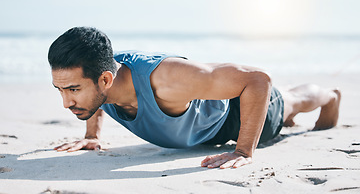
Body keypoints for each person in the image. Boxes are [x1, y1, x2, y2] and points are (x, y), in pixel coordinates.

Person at [48, 27, 341, 169]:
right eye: (60, 90)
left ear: (105, 80)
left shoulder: (163, 79)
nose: (66, 102)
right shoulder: (102, 79)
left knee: (292, 100)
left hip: (237, 113)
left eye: (73, 90)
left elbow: (258, 80)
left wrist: (242, 151)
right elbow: (96, 96)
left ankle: (329, 97)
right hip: (200, 114)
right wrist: (92, 134)